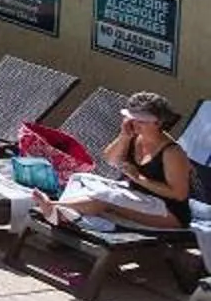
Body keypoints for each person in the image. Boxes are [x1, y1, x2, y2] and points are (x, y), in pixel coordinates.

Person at [37, 92, 194, 232]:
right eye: (132, 119)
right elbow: (110, 160)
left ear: (158, 123)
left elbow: (179, 194)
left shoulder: (172, 153)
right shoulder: (134, 136)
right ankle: (64, 215)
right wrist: (124, 137)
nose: (135, 124)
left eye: (142, 121)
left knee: (105, 197)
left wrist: (139, 178)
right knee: (80, 179)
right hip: (136, 195)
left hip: (168, 212)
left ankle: (56, 209)